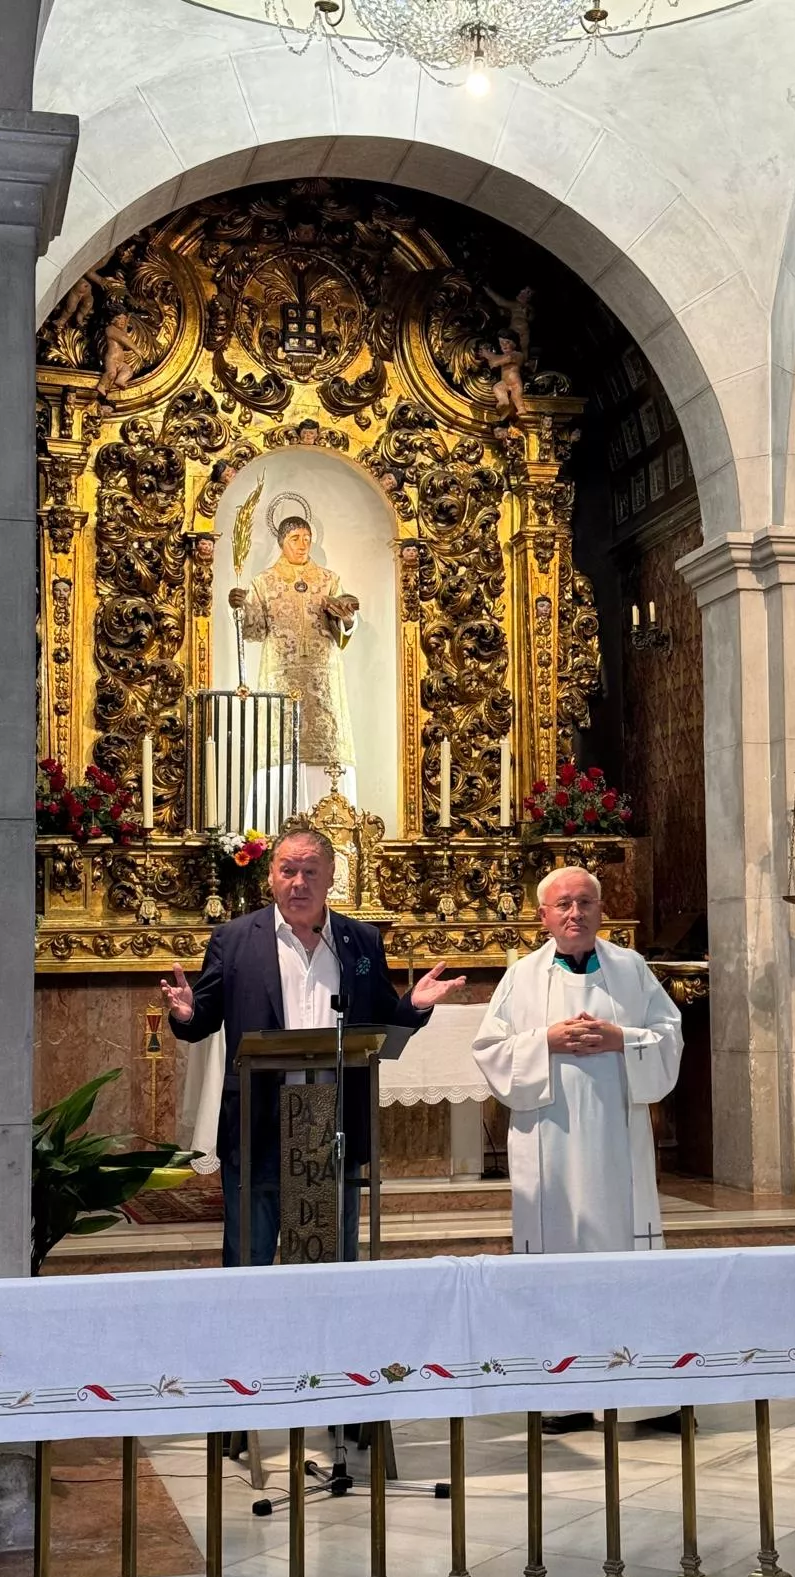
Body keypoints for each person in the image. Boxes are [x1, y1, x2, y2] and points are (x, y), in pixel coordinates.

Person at [162, 827, 465, 1266]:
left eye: (310, 871)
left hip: (332, 1119)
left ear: (330, 876)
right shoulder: (234, 939)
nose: (298, 883)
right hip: (258, 1118)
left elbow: (381, 1024)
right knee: (250, 1256)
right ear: (271, 875)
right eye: (288, 870)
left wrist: (413, 1006)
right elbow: (202, 1020)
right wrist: (187, 1013)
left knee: (326, 1261)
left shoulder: (359, 941)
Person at [472, 864, 682, 1432]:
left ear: (601, 909)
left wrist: (620, 1039)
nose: (574, 913)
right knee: (559, 1259)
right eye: (562, 904)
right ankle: (561, 1395)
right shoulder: (522, 975)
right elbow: (490, 1048)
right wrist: (546, 1040)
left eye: (585, 902)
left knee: (625, 1261)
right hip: (550, 1142)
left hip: (618, 1142)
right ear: (542, 915)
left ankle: (644, 1396)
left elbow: (668, 1035)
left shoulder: (631, 969)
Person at [229, 512, 358, 786]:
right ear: (281, 542)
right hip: (281, 678)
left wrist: (345, 616)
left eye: (307, 539)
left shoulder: (328, 580)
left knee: (327, 750)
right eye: (295, 539)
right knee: (282, 750)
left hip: (322, 679)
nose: (302, 545)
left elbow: (345, 626)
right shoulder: (263, 582)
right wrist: (240, 607)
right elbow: (254, 631)